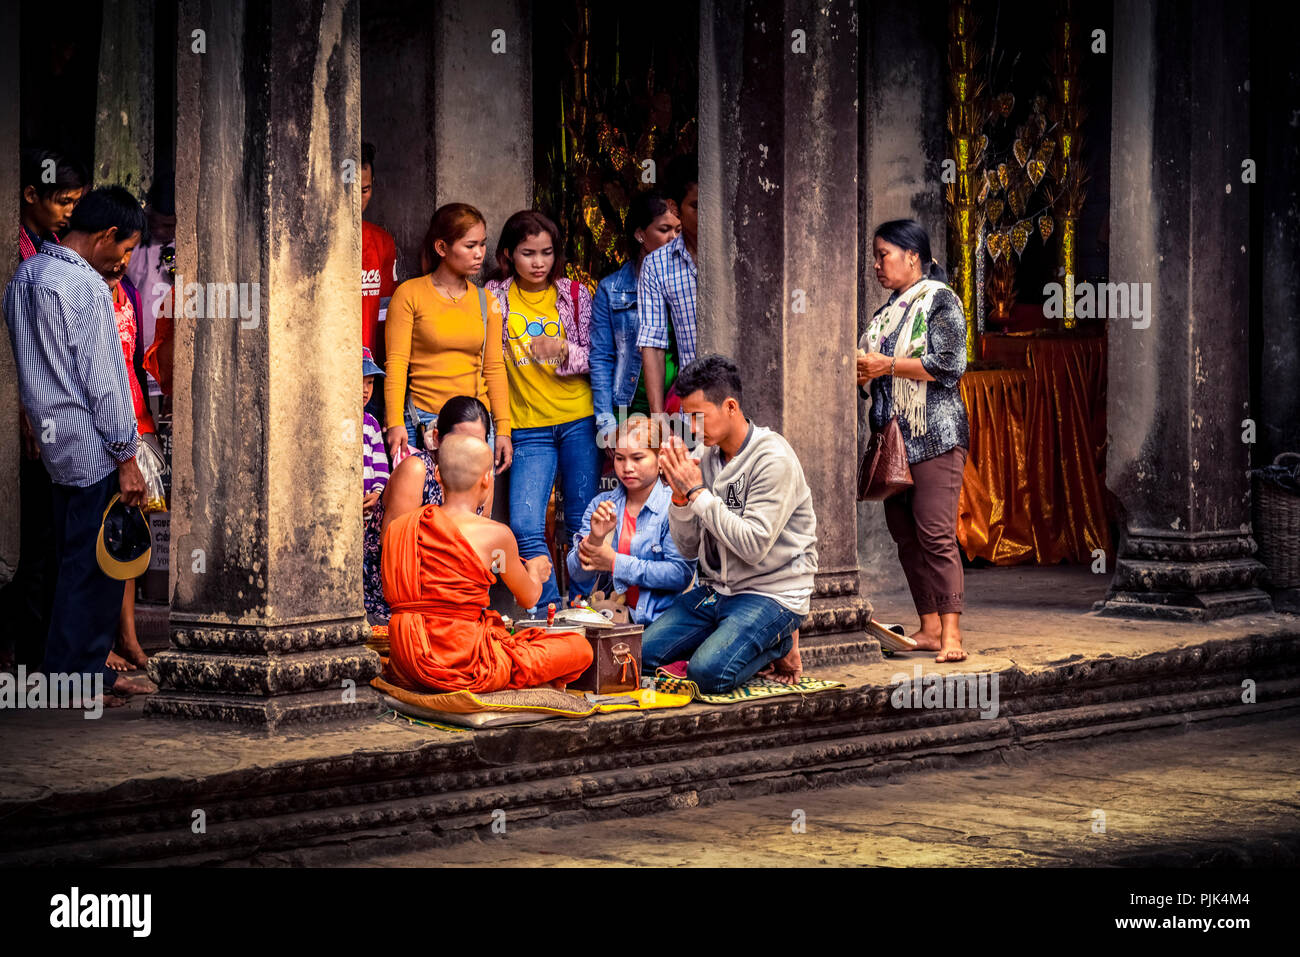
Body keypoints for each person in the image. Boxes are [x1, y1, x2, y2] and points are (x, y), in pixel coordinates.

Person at [3, 185, 157, 704]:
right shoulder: (86, 288)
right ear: (106, 236)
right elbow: (105, 380)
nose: (125, 260)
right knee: (96, 565)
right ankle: (77, 680)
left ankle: (78, 672)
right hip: (92, 441)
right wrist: (127, 456)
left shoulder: (23, 279)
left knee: (70, 558)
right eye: (126, 247)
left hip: (53, 442)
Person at [643, 355, 819, 692]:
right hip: (717, 592)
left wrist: (697, 493)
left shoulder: (772, 459)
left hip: (771, 594)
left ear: (730, 407)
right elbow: (688, 548)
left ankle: (779, 642)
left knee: (707, 674)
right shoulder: (704, 457)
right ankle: (729, 637)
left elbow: (753, 546)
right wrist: (680, 501)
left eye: (699, 417)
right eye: (687, 418)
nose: (692, 428)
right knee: (642, 656)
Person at [382, 434, 593, 693]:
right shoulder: (496, 535)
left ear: (436, 474)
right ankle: (524, 681)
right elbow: (528, 598)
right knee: (579, 648)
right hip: (462, 662)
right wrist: (535, 572)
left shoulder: (401, 528)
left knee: (514, 638)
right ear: (486, 479)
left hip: (406, 659)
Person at [858, 219, 970, 662]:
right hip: (893, 439)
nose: (877, 265)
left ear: (912, 255)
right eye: (875, 256)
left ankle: (953, 636)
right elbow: (874, 367)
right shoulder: (886, 313)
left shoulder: (941, 300)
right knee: (906, 537)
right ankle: (927, 628)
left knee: (936, 534)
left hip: (935, 435)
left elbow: (948, 363)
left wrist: (883, 366)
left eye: (883, 254)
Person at [485, 209, 599, 612]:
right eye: (528, 253)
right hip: (527, 427)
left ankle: (585, 607)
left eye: (546, 253)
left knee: (586, 524)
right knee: (524, 526)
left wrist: (565, 350)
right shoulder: (494, 298)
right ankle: (551, 611)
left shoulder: (574, 294)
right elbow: (487, 362)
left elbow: (599, 356)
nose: (538, 263)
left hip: (578, 420)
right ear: (507, 256)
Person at [1, 149, 87, 673]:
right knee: (28, 542)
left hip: (54, 415)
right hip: (25, 410)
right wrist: (25, 413)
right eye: (61, 202)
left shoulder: (55, 247)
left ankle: (42, 655)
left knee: (50, 540)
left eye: (75, 203)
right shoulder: (14, 249)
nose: (68, 212)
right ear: (30, 195)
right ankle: (22, 653)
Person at [383, 203, 512, 473]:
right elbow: (396, 363)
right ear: (442, 248)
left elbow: (494, 368)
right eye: (470, 246)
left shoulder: (487, 301)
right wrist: (394, 421)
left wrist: (503, 429)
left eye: (483, 245)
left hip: (476, 424)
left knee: (472, 511)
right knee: (425, 510)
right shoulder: (410, 294)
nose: (479, 254)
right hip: (425, 423)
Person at [362, 395, 492, 621]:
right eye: (459, 442)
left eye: (477, 443)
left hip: (450, 607)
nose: (468, 453)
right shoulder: (416, 470)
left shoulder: (484, 482)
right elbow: (394, 557)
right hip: (397, 607)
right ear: (437, 438)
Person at [566, 415, 695, 625]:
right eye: (620, 458)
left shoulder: (675, 505)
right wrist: (595, 540)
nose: (627, 467)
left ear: (660, 457)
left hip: (664, 619)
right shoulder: (602, 504)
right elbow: (577, 574)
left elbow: (679, 574)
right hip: (611, 616)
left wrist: (615, 563)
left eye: (637, 458)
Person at [103, 242, 157, 675]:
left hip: (136, 420)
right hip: (104, 426)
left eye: (129, 251)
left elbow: (137, 363)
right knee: (97, 535)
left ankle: (128, 634)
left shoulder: (132, 296)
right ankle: (100, 642)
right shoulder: (87, 293)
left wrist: (147, 427)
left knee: (130, 532)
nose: (123, 260)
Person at [590, 190, 681, 446]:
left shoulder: (686, 285)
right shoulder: (612, 289)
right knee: (632, 478)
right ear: (641, 234)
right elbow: (600, 358)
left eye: (678, 230)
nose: (674, 238)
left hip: (678, 406)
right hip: (627, 407)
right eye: (664, 229)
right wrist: (607, 424)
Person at [636, 153, 698, 416]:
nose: (706, 215)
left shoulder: (741, 257)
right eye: (696, 206)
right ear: (676, 208)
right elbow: (652, 343)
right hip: (692, 404)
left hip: (744, 400)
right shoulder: (657, 265)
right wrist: (658, 416)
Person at [360, 142, 398, 416]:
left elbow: (386, 315)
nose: (359, 199)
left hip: (370, 376)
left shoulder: (382, 242)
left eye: (365, 190)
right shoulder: (313, 247)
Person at [362, 347, 390, 511]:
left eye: (370, 382)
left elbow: (381, 466)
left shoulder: (372, 424)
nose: (366, 390)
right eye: (361, 381)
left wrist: (378, 492)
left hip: (369, 509)